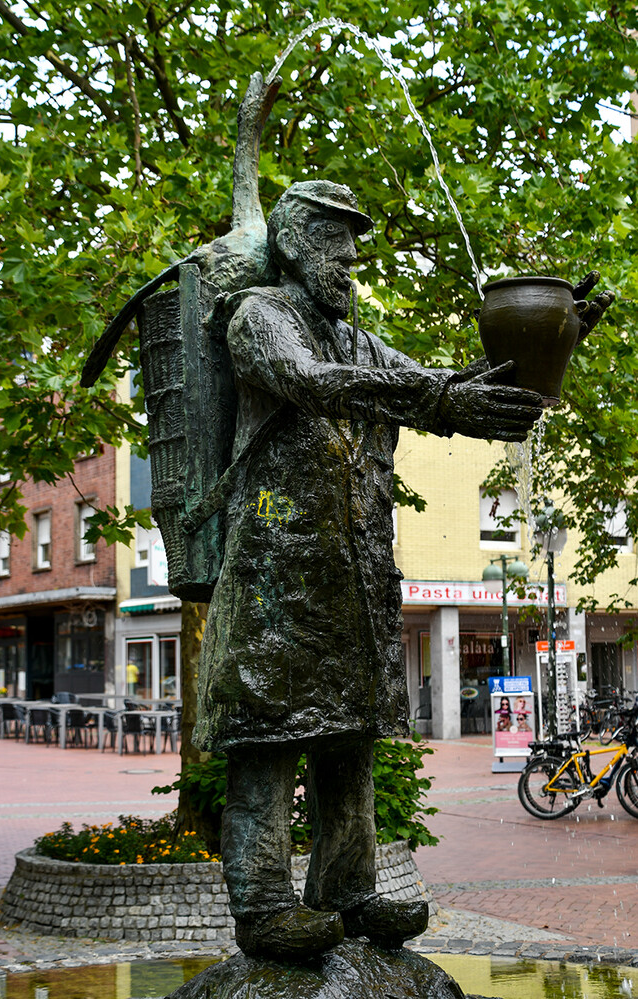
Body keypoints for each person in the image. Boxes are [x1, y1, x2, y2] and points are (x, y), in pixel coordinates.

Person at [194, 179, 544, 962]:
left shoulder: (359, 340)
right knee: (268, 740)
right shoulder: (259, 318)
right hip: (276, 576)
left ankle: (347, 890)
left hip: (352, 577)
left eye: (356, 240)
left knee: (349, 738)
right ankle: (261, 905)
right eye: (335, 238)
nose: (353, 256)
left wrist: (544, 348)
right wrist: (430, 394)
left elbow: (439, 395)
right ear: (291, 243)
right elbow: (311, 385)